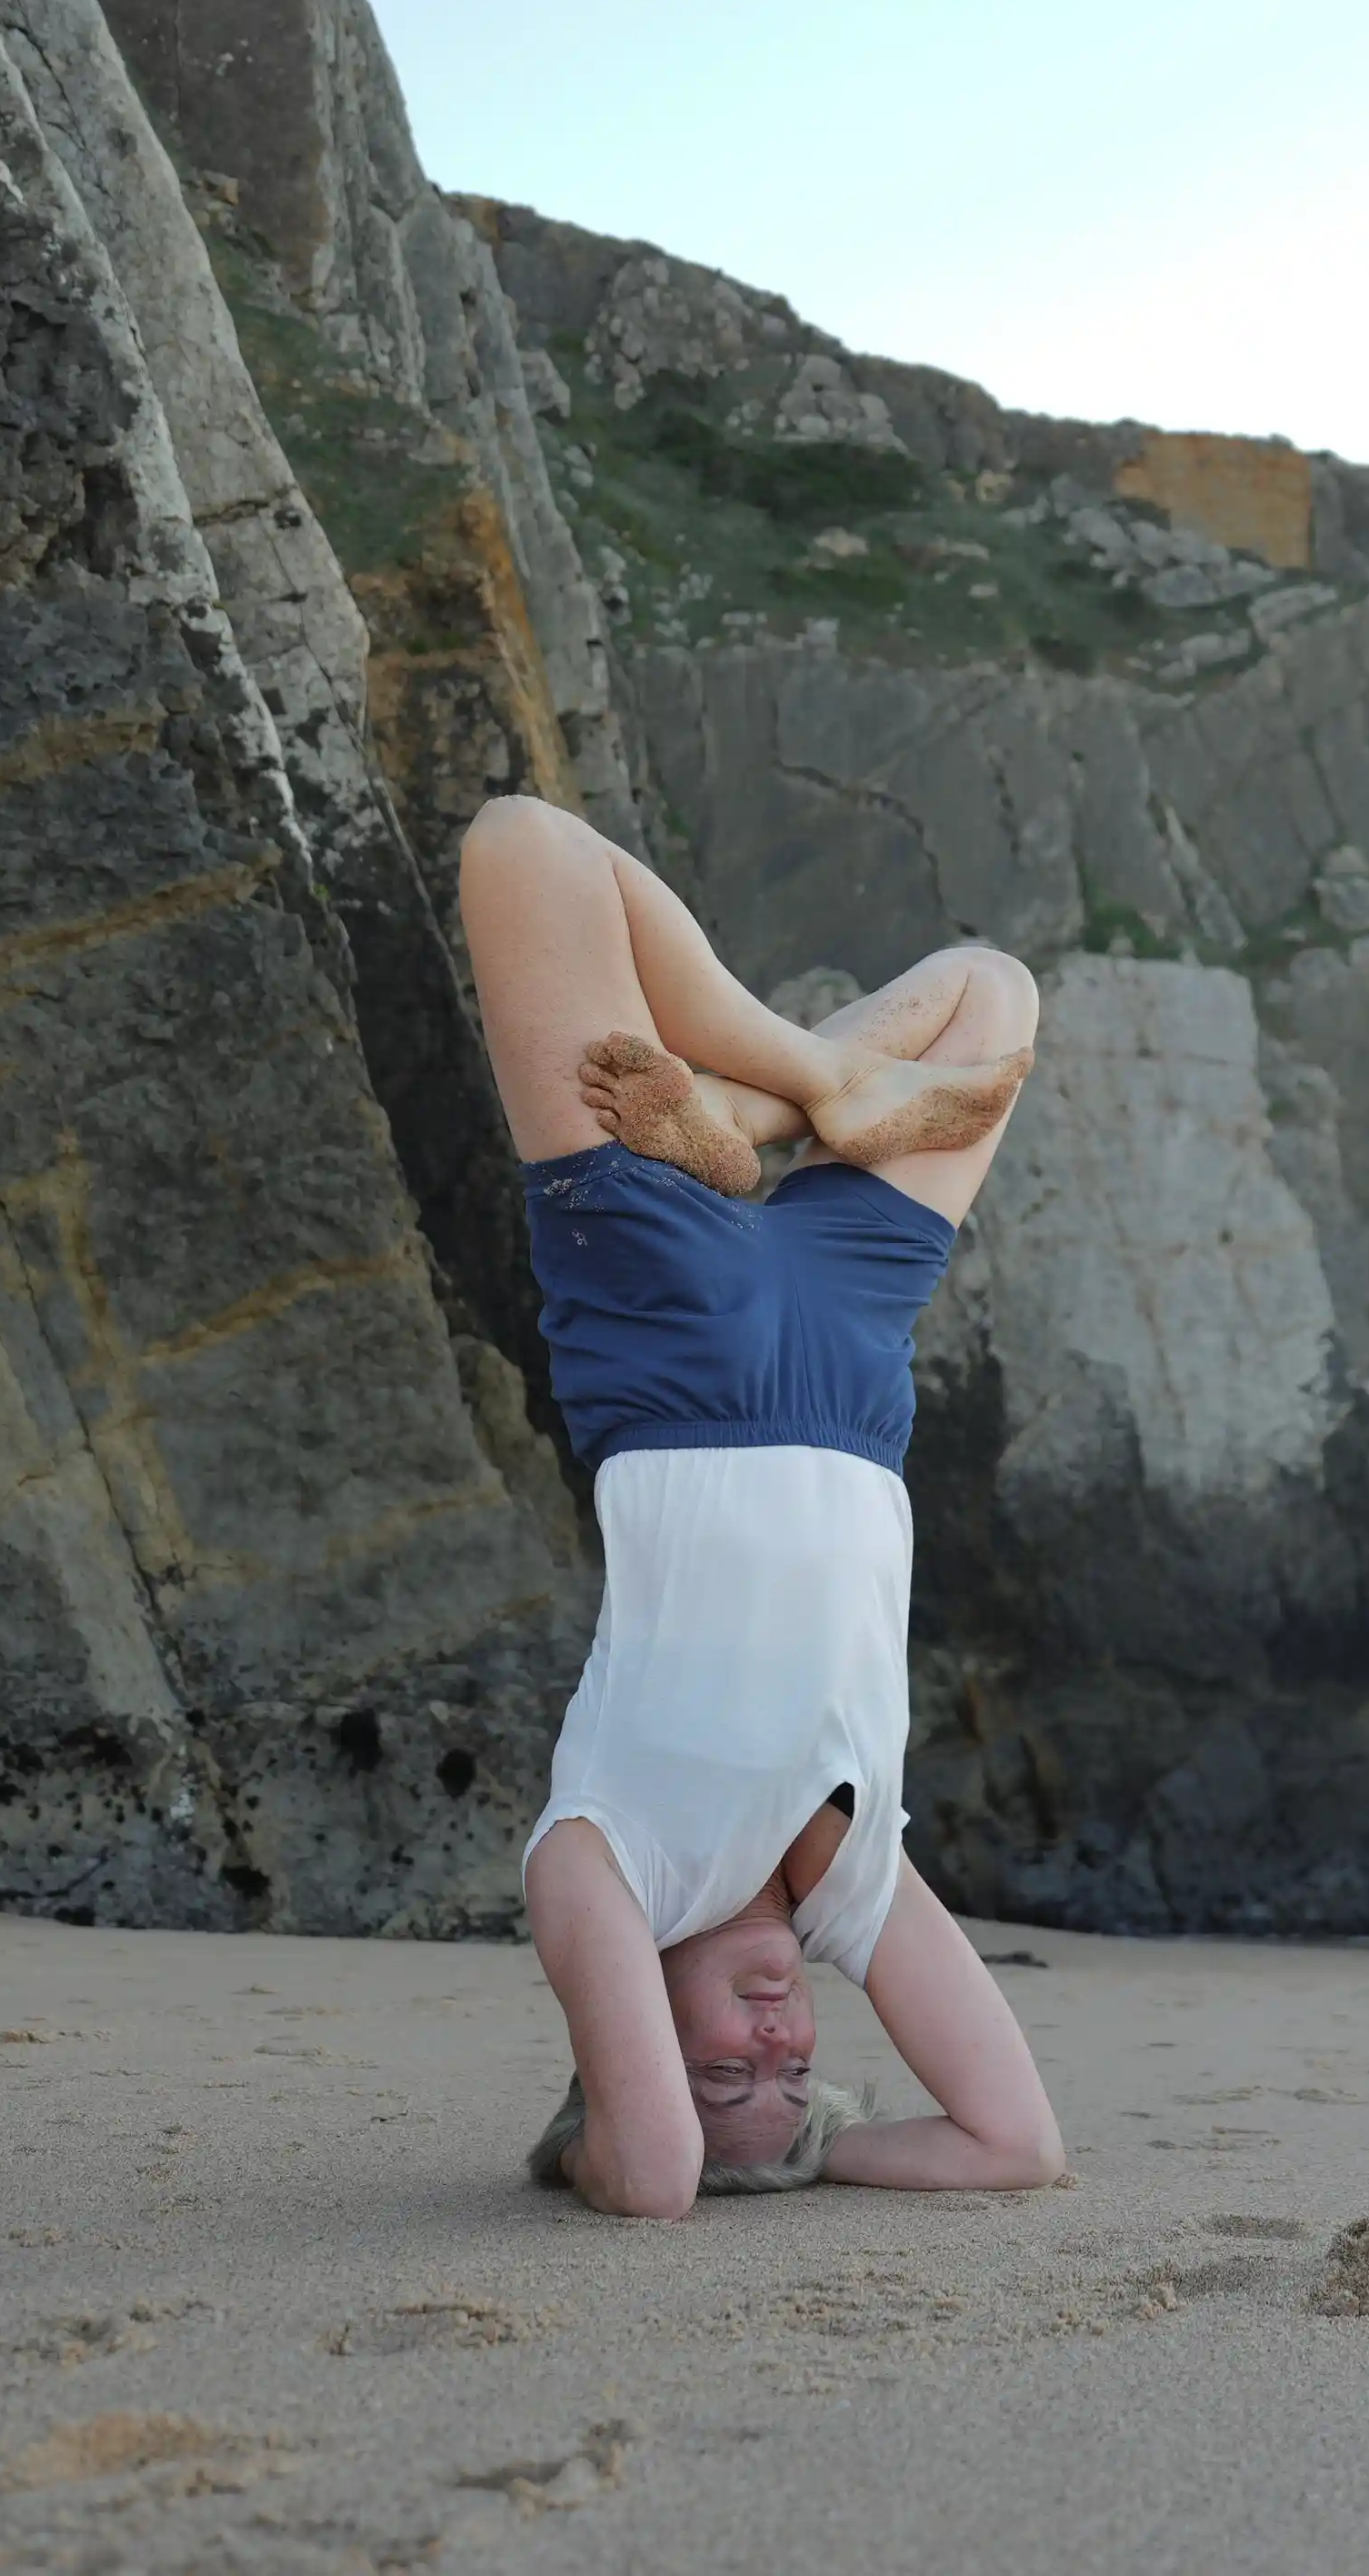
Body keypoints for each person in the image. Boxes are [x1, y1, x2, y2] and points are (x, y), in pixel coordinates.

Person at [456, 793, 1068, 2220]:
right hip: (849, 1363)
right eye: (797, 2074)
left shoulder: (602, 1862)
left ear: (632, 2038)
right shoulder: (852, 1885)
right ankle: (779, 1099)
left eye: (724, 2073)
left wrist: (632, 2143)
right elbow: (1014, 2147)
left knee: (524, 848)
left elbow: (655, 2177)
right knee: (995, 994)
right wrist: (813, 2149)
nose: (778, 2045)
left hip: (665, 1338)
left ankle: (761, 1098)